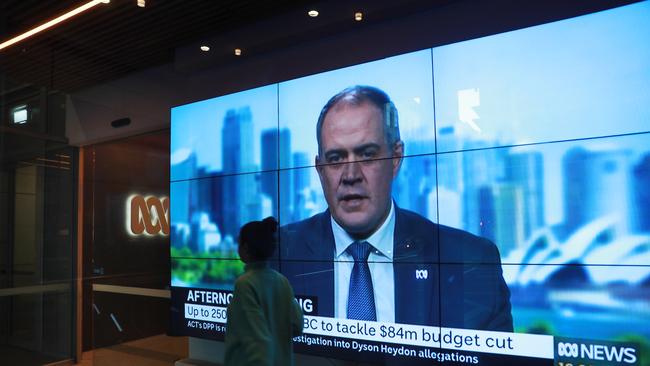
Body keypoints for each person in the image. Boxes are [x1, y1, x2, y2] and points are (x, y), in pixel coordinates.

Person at [280, 85, 513, 331]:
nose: (350, 175)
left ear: (396, 157)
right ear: (320, 169)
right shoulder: (277, 255)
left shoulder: (471, 262)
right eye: (336, 159)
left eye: (367, 155)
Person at [225, 217, 304, 366]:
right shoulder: (282, 281)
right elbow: (297, 326)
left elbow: (258, 343)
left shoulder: (245, 284)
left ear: (245, 248)